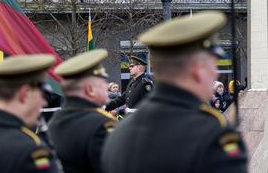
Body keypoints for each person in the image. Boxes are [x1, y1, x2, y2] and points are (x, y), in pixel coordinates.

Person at [101, 11, 247, 172]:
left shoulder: (118, 135)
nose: (216, 74)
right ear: (198, 69)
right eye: (213, 65)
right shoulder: (213, 137)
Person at [48, 48, 117, 173]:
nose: (107, 87)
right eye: (103, 82)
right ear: (90, 89)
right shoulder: (101, 125)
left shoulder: (56, 120)